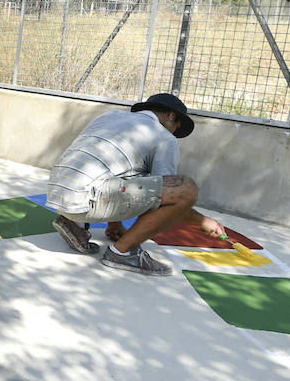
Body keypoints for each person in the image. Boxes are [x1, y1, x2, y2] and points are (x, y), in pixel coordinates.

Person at [46, 92, 227, 276]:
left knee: (131, 171)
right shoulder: (164, 138)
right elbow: (168, 195)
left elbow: (114, 168)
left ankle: (73, 223)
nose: (173, 132)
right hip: (85, 201)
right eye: (176, 126)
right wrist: (202, 221)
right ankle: (123, 252)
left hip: (57, 191)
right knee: (185, 189)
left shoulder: (110, 116)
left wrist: (114, 224)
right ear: (171, 115)